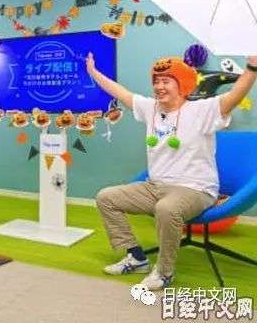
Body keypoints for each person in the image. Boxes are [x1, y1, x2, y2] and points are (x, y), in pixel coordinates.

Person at [87, 53, 257, 290]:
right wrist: (94, 73)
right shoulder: (150, 108)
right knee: (106, 198)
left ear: (182, 84)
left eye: (166, 81)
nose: (159, 86)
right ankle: (136, 257)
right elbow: (120, 92)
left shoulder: (202, 110)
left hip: (196, 189)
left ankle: (164, 272)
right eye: (156, 81)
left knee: (166, 208)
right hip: (154, 186)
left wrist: (251, 68)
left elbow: (235, 96)